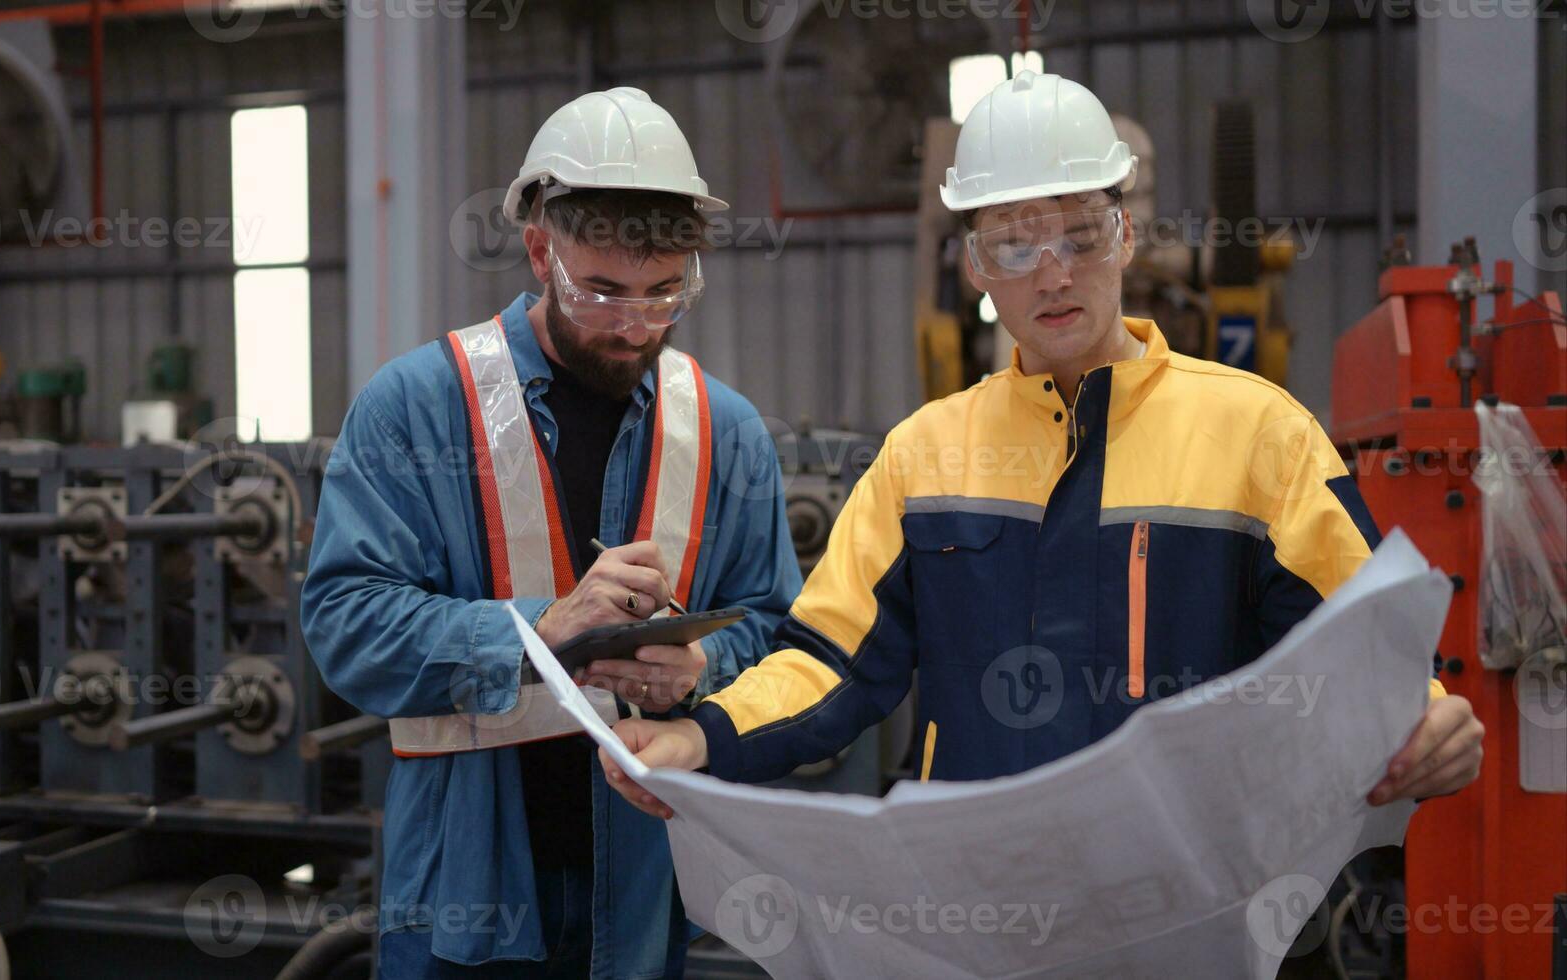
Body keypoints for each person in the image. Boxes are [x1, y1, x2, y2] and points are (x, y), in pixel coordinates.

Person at [601, 72, 1483, 820]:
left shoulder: (1262, 437)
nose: (1053, 274)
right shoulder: (922, 458)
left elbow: (1360, 648)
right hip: (978, 900)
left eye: (1081, 237)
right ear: (975, 268)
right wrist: (698, 737)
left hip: (1191, 894)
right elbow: (828, 662)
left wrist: (1428, 717)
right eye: (1013, 246)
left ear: (1127, 236)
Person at [302, 87, 802, 979]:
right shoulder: (416, 410)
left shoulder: (727, 432)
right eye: (600, 290)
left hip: (649, 892)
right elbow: (345, 623)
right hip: (466, 888)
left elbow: (779, 627)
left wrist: (706, 669)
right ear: (539, 251)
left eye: (663, 295)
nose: (632, 325)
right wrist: (537, 631)